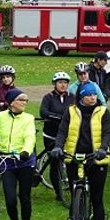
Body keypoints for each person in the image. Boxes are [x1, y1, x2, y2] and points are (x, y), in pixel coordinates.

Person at [52, 82, 110, 220]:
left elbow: (107, 133)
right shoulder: (71, 112)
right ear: (81, 97)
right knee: (74, 196)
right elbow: (62, 131)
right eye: (89, 95)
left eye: (94, 95)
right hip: (74, 157)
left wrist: (103, 149)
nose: (93, 97)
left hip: (96, 159)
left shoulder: (103, 112)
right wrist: (58, 146)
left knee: (97, 197)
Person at [0, 88, 36, 220]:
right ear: (11, 102)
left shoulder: (29, 118)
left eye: (26, 100)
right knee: (10, 199)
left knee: (24, 197)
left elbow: (30, 137)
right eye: (21, 100)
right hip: (6, 162)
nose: (24, 103)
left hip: (24, 162)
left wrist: (26, 152)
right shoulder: (0, 117)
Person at [39, 71, 72, 203]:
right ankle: (58, 192)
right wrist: (58, 117)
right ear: (55, 84)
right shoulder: (48, 97)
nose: (63, 85)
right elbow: (43, 112)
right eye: (60, 82)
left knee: (69, 161)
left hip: (67, 135)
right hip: (51, 135)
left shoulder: (72, 97)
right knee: (54, 163)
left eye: (65, 83)